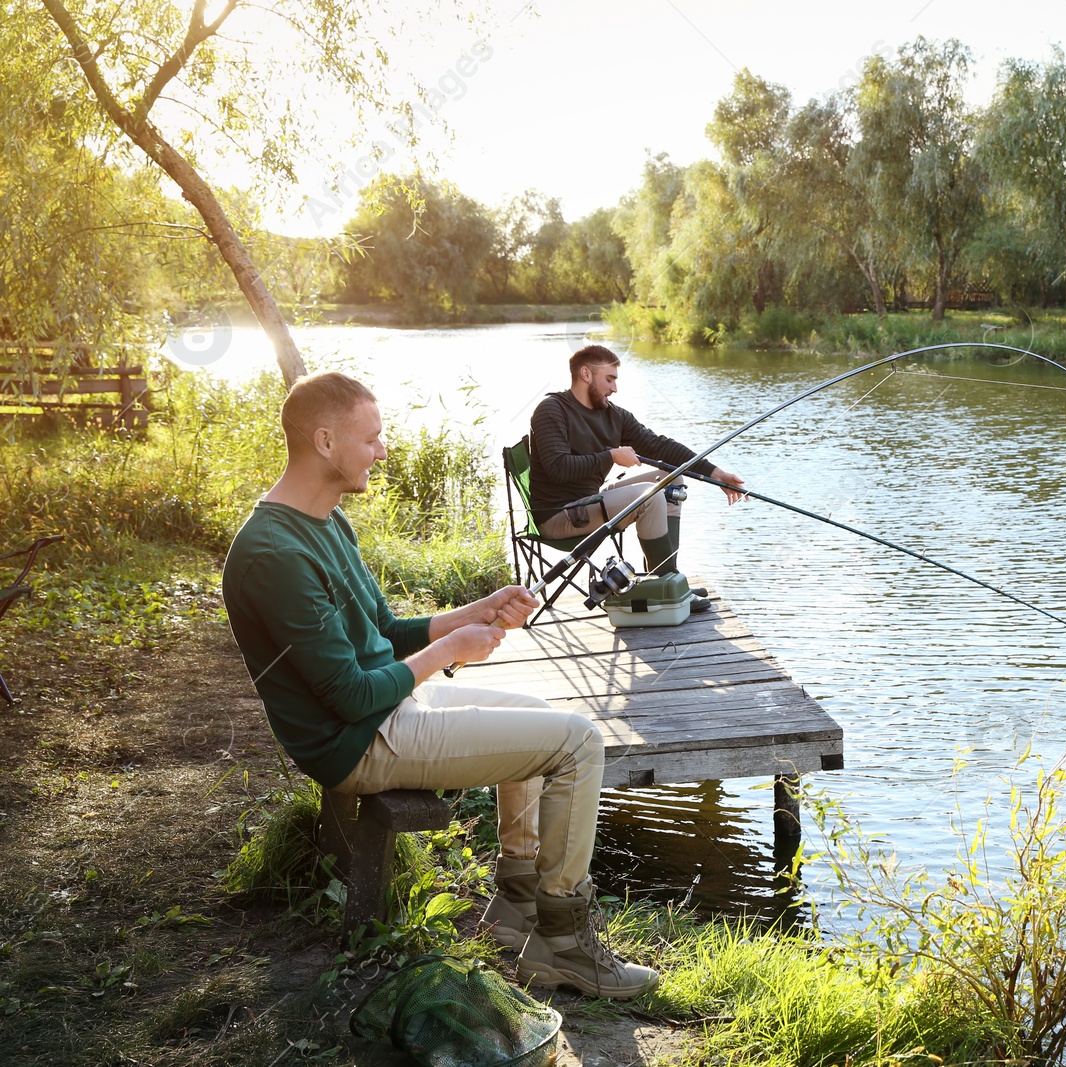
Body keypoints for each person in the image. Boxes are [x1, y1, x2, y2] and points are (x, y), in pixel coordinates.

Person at [221, 370, 655, 999]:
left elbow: (387, 633)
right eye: (372, 438)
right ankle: (564, 941)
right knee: (579, 743)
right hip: (357, 741)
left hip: (387, 709)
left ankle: (514, 907)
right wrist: (450, 650)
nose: (384, 450)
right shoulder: (274, 553)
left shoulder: (327, 522)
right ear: (323, 442)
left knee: (539, 716)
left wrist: (474, 612)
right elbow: (346, 697)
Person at [528, 345, 745, 610]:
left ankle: (668, 579)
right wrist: (611, 457)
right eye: (609, 379)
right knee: (649, 496)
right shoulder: (551, 410)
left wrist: (714, 473)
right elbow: (558, 468)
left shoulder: (612, 415)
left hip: (589, 501)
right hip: (560, 515)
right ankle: (666, 587)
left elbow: (660, 446)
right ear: (586, 374)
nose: (614, 388)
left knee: (671, 478)